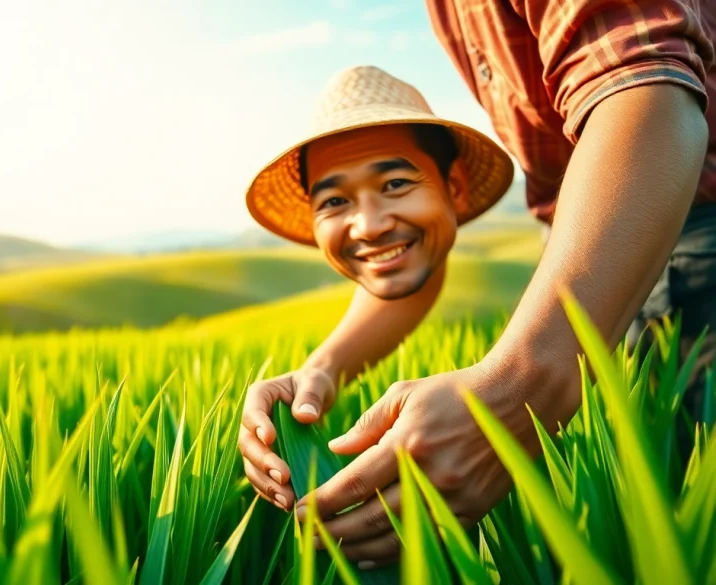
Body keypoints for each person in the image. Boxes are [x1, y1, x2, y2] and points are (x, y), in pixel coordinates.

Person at [239, 1, 715, 569]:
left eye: (395, 183)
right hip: (592, 254)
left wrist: (516, 388)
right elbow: (409, 249)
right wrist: (322, 370)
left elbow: (649, 91)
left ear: (455, 186)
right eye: (336, 200)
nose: (367, 224)